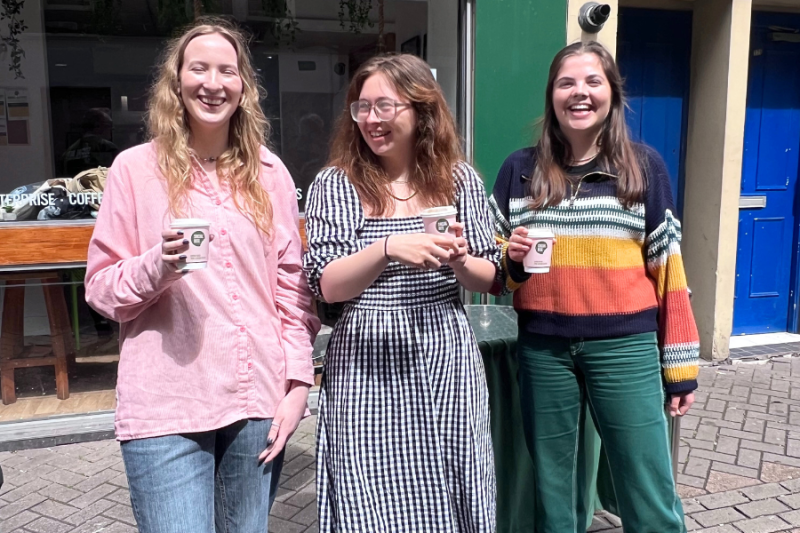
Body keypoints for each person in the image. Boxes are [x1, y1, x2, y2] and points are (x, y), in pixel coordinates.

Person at [85, 18, 319, 533]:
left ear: (243, 87)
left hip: (255, 397)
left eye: (227, 71)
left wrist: (299, 381)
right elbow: (102, 290)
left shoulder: (270, 173)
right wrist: (157, 267)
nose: (213, 82)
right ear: (177, 81)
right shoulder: (134, 169)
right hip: (167, 406)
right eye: (199, 68)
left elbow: (291, 287)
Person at [489, 41, 698, 533]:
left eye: (592, 82)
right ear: (551, 95)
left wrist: (680, 366)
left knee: (646, 485)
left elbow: (669, 270)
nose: (579, 93)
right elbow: (496, 270)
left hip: (625, 348)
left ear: (612, 94)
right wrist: (511, 260)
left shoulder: (644, 168)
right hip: (543, 349)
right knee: (553, 488)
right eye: (566, 83)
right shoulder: (519, 170)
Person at [303, 54, 499, 532]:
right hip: (367, 351)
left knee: (454, 472)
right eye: (362, 107)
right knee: (367, 486)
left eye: (385, 106)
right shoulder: (336, 184)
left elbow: (488, 276)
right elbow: (327, 282)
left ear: (421, 109)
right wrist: (388, 248)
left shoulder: (459, 179)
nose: (371, 119)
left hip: (443, 348)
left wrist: (459, 260)